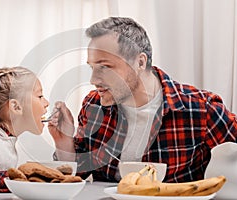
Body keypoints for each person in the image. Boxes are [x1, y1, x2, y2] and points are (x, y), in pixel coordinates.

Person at [48, 17, 237, 183]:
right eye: (92, 68)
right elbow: (79, 172)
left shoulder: (201, 109)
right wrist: (64, 142)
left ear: (140, 62)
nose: (93, 80)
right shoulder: (93, 105)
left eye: (104, 67)